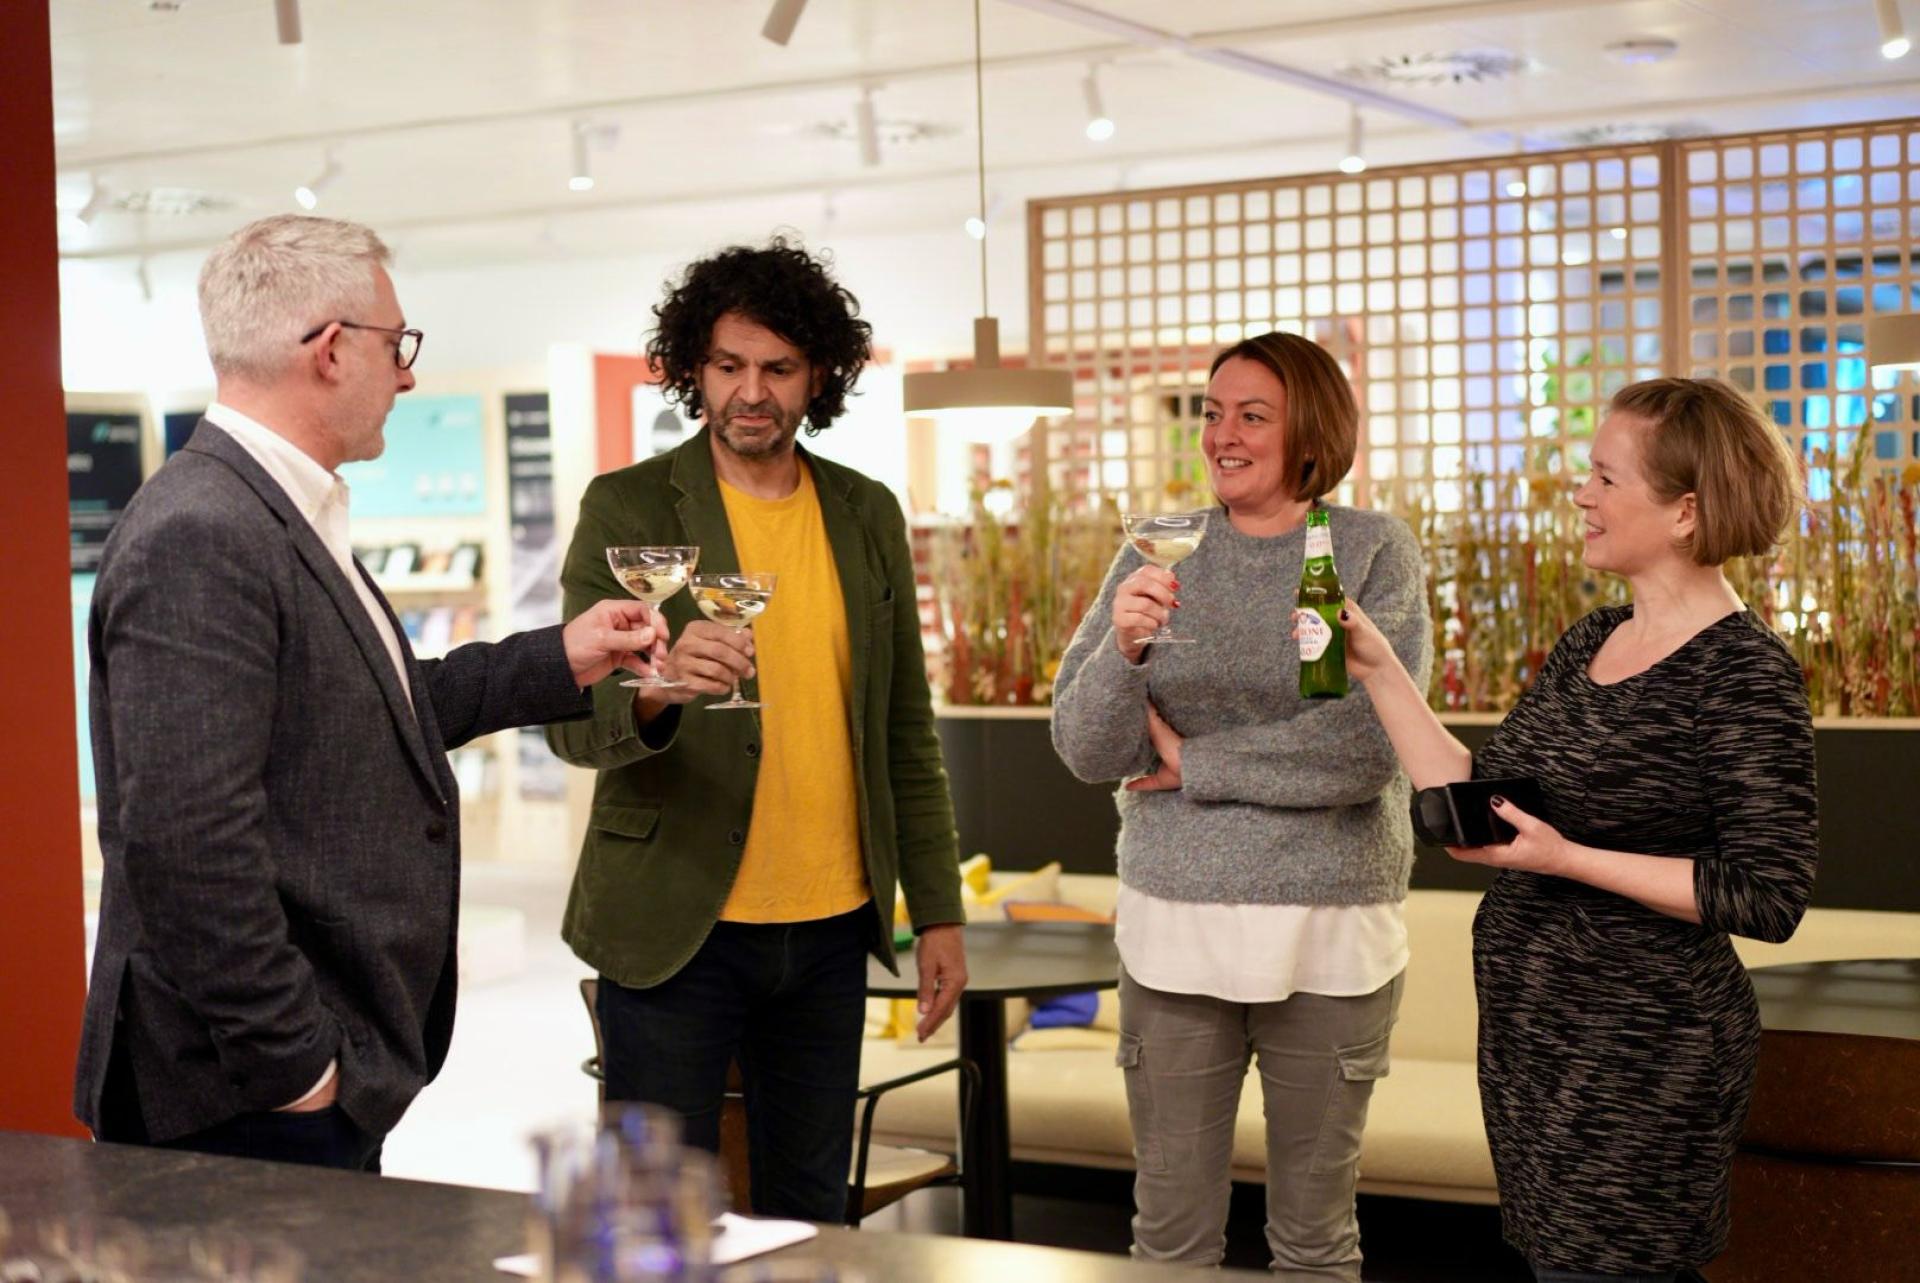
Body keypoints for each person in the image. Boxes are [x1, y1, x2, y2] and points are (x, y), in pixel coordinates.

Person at [73, 215, 664, 1172]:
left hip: (277, 1080)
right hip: (238, 1093)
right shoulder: (206, 531)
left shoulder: (274, 511)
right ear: (333, 349)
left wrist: (563, 655)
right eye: (398, 346)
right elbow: (183, 838)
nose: (408, 374)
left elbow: (378, 707)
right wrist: (296, 1068)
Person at [1329, 377, 1818, 1282]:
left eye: (1604, 476)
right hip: (1537, 1045)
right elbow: (1491, 794)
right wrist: (1380, 669)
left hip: (1647, 1055)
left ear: (1685, 510)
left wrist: (1567, 858)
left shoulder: (1745, 673)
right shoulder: (1592, 635)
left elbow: (1768, 892)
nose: (1581, 494)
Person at [545, 237, 967, 1221]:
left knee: (812, 1205)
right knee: (660, 1215)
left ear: (819, 374)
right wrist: (654, 692)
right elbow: (568, 718)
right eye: (729, 365)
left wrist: (937, 908)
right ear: (694, 368)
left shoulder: (865, 513)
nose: (752, 391)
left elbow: (907, 727)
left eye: (778, 368)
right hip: (674, 926)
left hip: (830, 926)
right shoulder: (630, 504)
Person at [1051, 331, 1432, 1280]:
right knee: (1170, 1240)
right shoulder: (1158, 544)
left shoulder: (1369, 550)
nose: (1223, 434)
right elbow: (1087, 745)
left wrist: (1195, 763)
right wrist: (1125, 653)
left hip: (1331, 930)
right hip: (1175, 927)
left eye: (1252, 415)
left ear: (1310, 429)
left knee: (1313, 1238)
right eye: (1213, 412)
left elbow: (1365, 746)